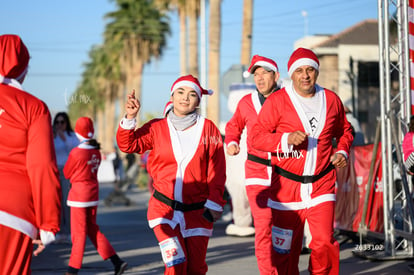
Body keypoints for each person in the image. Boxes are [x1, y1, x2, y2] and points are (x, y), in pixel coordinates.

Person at [250, 47, 354, 275]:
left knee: (325, 244)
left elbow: (346, 131)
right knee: (284, 251)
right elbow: (256, 137)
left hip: (322, 183)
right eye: (299, 70)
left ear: (316, 72)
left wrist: (342, 151)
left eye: (310, 69)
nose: (305, 75)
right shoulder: (278, 101)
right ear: (292, 74)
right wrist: (285, 138)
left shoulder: (332, 100)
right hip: (286, 188)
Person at [116, 75, 226, 275]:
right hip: (163, 211)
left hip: (198, 213)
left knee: (196, 268)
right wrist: (130, 117)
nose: (185, 98)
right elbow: (128, 144)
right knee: (176, 264)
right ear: (172, 96)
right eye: (181, 92)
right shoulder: (156, 127)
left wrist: (215, 202)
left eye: (192, 94)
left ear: (198, 100)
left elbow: (217, 170)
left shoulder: (209, 128)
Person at [0, 34, 62, 274]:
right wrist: (48, 225)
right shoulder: (33, 106)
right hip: (13, 212)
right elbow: (42, 166)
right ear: (23, 68)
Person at [225, 55, 280, 274]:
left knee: (285, 229)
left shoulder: (288, 99)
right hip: (257, 171)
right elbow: (233, 126)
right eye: (256, 75)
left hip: (286, 172)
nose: (259, 79)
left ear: (275, 76)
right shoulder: (246, 102)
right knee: (263, 228)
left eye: (264, 73)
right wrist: (231, 142)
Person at [63, 117, 127, 275]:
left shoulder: (76, 152)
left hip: (78, 196)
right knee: (92, 230)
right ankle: (117, 261)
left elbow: (66, 173)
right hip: (92, 194)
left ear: (77, 132)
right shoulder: (95, 151)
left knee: (79, 233)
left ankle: (72, 270)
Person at [53, 112, 79, 243]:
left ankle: (69, 231)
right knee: (56, 203)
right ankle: (58, 231)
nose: (59, 125)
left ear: (66, 123)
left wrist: (64, 139)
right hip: (54, 170)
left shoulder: (71, 136)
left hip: (67, 171)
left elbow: (75, 151)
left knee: (66, 202)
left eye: (62, 122)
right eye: (57, 122)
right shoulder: (52, 137)